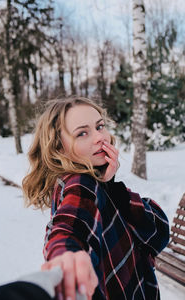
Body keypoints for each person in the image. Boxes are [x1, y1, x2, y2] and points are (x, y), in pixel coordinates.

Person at [22, 96, 169, 300]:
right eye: (82, 133)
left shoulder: (88, 181)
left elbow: (157, 231)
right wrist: (67, 256)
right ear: (58, 147)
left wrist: (110, 184)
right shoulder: (80, 183)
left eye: (100, 127)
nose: (100, 137)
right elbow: (70, 226)